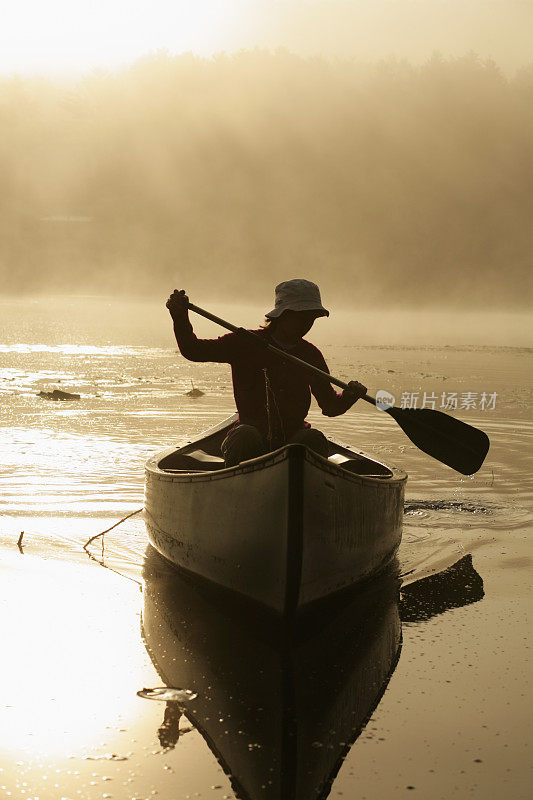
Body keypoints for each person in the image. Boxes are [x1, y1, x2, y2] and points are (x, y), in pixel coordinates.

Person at [166, 279, 367, 467]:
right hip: (248, 437)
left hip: (293, 438)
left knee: (312, 439)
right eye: (301, 316)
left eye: (311, 317)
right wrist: (180, 317)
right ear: (282, 314)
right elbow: (193, 350)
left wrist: (349, 397)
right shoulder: (245, 342)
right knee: (246, 435)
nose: (306, 324)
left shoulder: (310, 355)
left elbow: (330, 406)